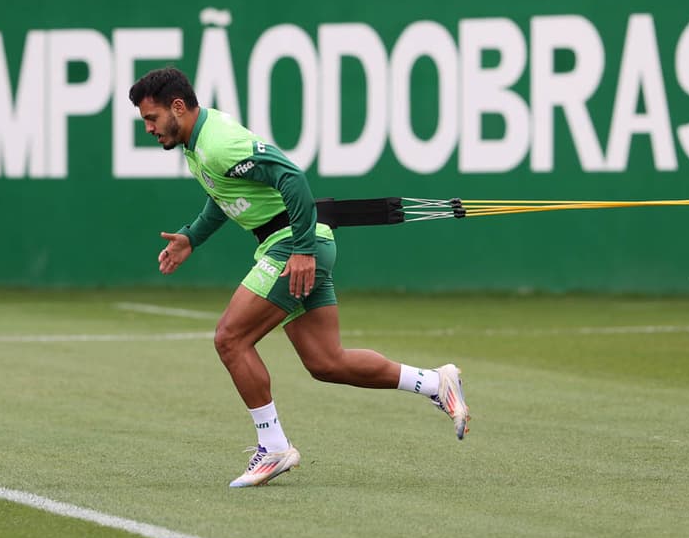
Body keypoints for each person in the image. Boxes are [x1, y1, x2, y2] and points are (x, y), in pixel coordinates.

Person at [128, 67, 469, 488]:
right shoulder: (199, 144)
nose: (148, 128)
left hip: (294, 244)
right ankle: (437, 383)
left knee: (230, 339)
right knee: (327, 362)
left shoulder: (218, 143)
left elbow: (291, 177)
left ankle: (273, 447)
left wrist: (303, 249)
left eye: (152, 118)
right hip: (301, 242)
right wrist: (192, 237)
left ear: (178, 107)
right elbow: (225, 194)